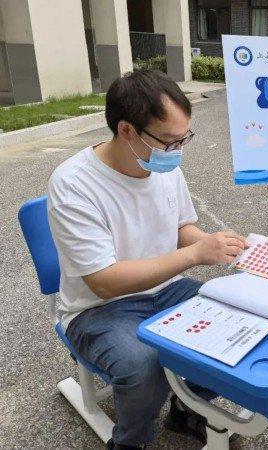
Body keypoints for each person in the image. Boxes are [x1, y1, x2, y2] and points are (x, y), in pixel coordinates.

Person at [47, 69, 247, 449]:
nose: (177, 150)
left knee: (234, 323)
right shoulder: (74, 183)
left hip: (166, 290)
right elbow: (103, 281)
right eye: (169, 141)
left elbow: (182, 227)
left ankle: (187, 409)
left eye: (183, 138)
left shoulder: (163, 165)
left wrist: (218, 244)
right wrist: (193, 255)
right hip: (99, 308)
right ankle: (130, 440)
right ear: (126, 130)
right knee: (144, 364)